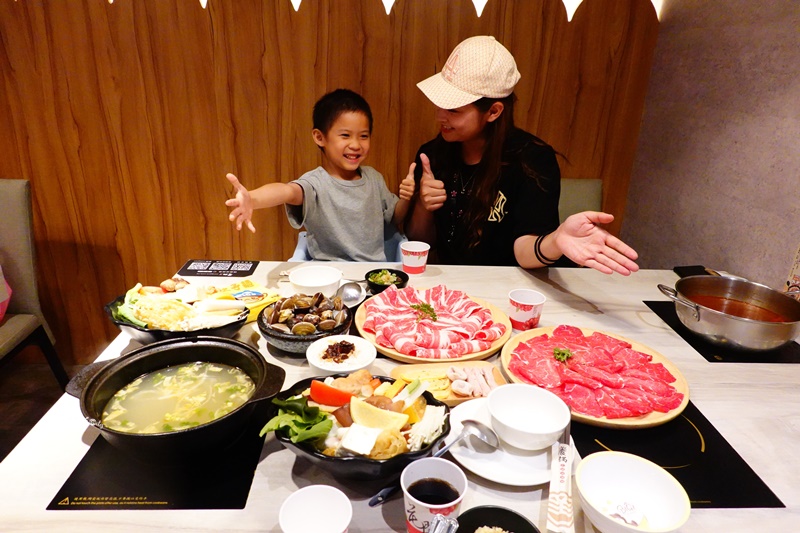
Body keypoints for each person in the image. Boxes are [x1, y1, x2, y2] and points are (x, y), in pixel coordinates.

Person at [404, 36, 639, 275]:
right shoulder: (431, 154)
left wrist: (556, 240)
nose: (440, 116)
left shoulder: (532, 160)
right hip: (452, 285)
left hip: (514, 286)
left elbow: (524, 248)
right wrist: (424, 206)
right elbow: (422, 241)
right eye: (439, 104)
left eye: (453, 110)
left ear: (493, 112)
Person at [225, 89, 415, 262]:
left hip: (373, 276)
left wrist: (406, 199)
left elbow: (394, 218)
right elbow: (286, 191)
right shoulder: (315, 184)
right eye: (345, 135)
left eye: (363, 136)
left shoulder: (374, 178)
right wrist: (252, 198)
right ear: (320, 137)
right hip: (326, 278)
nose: (356, 144)